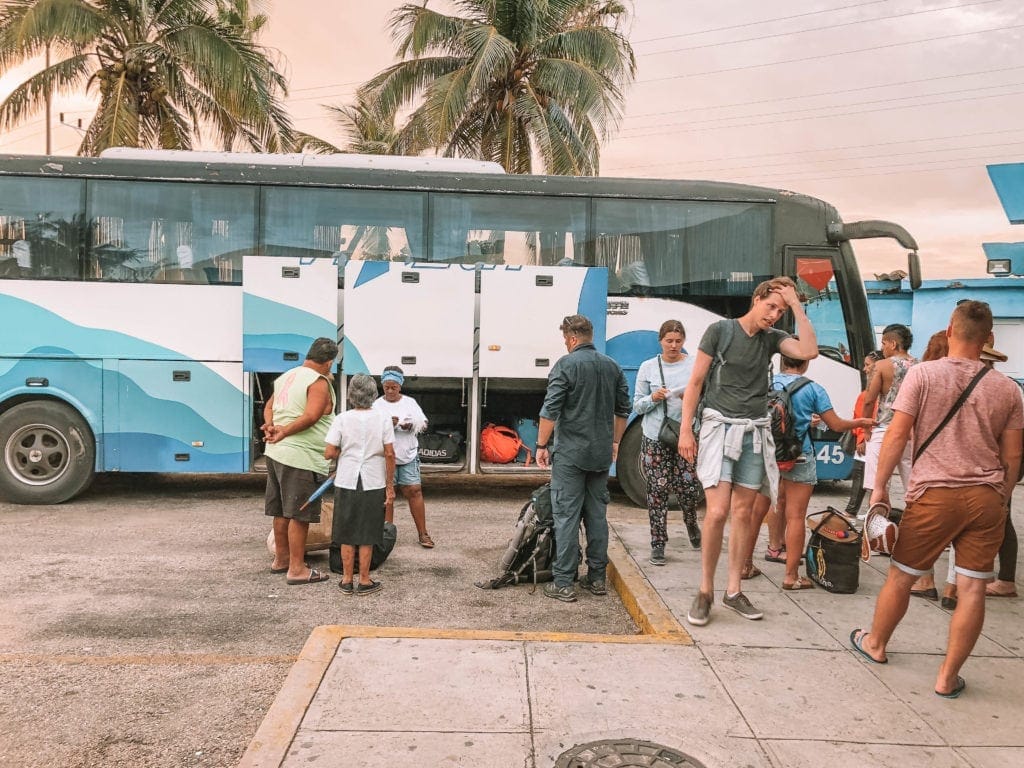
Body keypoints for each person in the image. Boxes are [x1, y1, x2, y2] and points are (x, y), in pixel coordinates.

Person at [849, 301, 1023, 699]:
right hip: (986, 497)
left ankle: (876, 643)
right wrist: (1002, 495)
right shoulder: (1007, 388)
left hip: (934, 494)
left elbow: (896, 434)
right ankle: (947, 676)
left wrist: (879, 488)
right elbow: (1013, 456)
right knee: (973, 588)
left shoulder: (924, 375)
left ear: (949, 330)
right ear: (989, 339)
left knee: (902, 574)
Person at [678, 277, 819, 626]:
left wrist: (797, 307)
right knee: (717, 512)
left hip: (754, 431)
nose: (774, 315)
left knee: (744, 513)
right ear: (757, 299)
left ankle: (733, 589)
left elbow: (809, 352)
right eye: (770, 306)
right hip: (718, 428)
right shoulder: (720, 331)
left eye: (780, 310)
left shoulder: (773, 339)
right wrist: (685, 431)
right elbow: (695, 382)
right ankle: (705, 590)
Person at [746, 349, 875, 589]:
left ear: (782, 360)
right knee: (795, 517)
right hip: (799, 455)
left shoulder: (766, 383)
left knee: (757, 512)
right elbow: (835, 424)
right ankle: (791, 576)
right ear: (805, 363)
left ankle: (744, 565)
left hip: (767, 454)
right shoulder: (813, 389)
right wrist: (860, 422)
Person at [535, 314, 631, 603]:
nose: (565, 344)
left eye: (566, 339)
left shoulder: (566, 365)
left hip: (571, 455)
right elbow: (622, 410)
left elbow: (549, 410)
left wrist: (541, 445)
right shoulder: (612, 366)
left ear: (573, 338)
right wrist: (614, 443)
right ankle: (597, 578)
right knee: (597, 516)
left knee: (566, 516)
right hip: (600, 453)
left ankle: (563, 582)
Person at [263, 337, 338, 585]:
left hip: (276, 453)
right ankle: (297, 569)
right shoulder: (318, 382)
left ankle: (281, 559)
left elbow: (269, 407)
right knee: (300, 513)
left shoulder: (287, 376)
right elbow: (312, 416)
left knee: (281, 510)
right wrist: (284, 431)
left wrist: (273, 427)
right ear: (328, 363)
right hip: (300, 455)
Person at [632, 319, 703, 566]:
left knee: (689, 487)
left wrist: (691, 395)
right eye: (669, 341)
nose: (673, 346)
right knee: (657, 490)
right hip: (655, 436)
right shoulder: (648, 367)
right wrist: (653, 397)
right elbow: (637, 405)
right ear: (661, 341)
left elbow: (706, 398)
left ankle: (691, 521)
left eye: (678, 341)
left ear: (684, 341)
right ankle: (658, 542)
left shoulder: (694, 365)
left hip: (686, 435)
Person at [324, 373, 396, 596]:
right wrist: (390, 485)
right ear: (374, 394)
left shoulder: (342, 418)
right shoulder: (383, 418)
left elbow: (329, 452)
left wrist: (343, 452)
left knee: (346, 530)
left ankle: (346, 579)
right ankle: (364, 580)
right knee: (368, 531)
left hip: (346, 478)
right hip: (373, 480)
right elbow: (390, 453)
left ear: (351, 395)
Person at [372, 365, 434, 548]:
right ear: (382, 386)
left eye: (394, 387)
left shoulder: (410, 402)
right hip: (385, 456)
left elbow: (424, 424)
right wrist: (386, 424)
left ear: (400, 386)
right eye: (386, 387)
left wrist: (410, 425)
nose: (390, 391)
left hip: (407, 454)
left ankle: (423, 533)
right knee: (387, 495)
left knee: (414, 490)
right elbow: (369, 429)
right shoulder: (376, 405)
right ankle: (385, 536)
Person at [980, 342, 1022, 599]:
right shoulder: (1007, 387)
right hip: (1001, 461)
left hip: (1000, 461)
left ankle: (1006, 579)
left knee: (1002, 519)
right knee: (999, 518)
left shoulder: (998, 388)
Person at [861, 323, 917, 515]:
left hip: (884, 429)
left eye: (884, 343)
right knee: (913, 484)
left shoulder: (881, 366)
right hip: (911, 432)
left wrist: (866, 427)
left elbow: (869, 400)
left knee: (878, 484)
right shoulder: (920, 367)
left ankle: (880, 525)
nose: (882, 347)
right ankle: (914, 523)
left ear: (893, 344)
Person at [844, 352, 883, 517]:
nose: (864, 369)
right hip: (870, 438)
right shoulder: (870, 393)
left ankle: (853, 511)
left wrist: (861, 438)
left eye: (868, 365)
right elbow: (859, 417)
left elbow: (861, 418)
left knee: (862, 476)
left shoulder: (868, 394)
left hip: (869, 438)